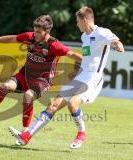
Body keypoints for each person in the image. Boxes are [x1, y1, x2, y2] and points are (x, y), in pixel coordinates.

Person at [9, 6, 124, 149]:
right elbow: (88, 59)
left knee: (73, 104)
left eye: (78, 21)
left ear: (85, 20)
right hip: (80, 77)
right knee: (53, 105)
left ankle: (82, 133)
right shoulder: (84, 36)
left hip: (93, 80)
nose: (77, 24)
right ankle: (26, 136)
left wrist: (118, 45)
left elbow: (114, 40)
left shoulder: (102, 32)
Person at [0, 15, 82, 135]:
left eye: (39, 32)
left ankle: (25, 132)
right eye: (35, 31)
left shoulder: (54, 45)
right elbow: (11, 39)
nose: (36, 34)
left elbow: (73, 55)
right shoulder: (30, 37)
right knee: (4, 87)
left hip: (42, 81)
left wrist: (91, 65)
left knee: (28, 96)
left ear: (47, 31)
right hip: (24, 75)